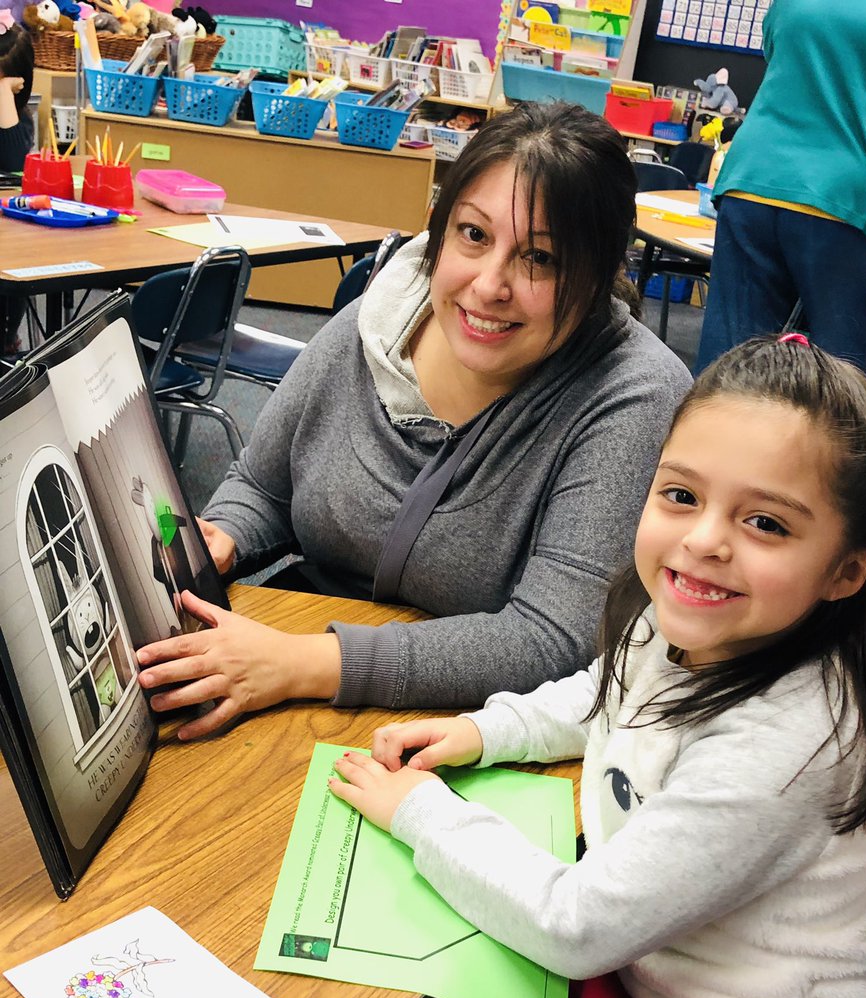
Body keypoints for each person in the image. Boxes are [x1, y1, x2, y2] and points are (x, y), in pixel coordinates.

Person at [331, 334, 866, 998]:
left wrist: (422, 812)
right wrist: (486, 732)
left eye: (766, 523)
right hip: (647, 969)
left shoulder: (788, 747)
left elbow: (579, 927)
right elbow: (606, 689)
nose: (703, 541)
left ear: (848, 571)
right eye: (681, 495)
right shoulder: (696, 619)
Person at [135, 101, 691, 740]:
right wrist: (227, 533)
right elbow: (264, 486)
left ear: (598, 276)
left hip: (467, 721)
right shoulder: (383, 321)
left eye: (540, 259)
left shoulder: (631, 394)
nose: (488, 285)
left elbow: (551, 638)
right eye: (473, 235)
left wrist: (302, 663)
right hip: (293, 658)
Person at [694, 0, 866, 378]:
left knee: (730, 359)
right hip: (843, 195)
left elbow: (777, 55)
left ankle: (707, 434)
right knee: (842, 372)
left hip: (752, 179)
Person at [0, 13, 34, 359]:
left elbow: (13, 171)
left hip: (11, 247)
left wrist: (4, 100)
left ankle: (7, 345)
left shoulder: (18, 124)